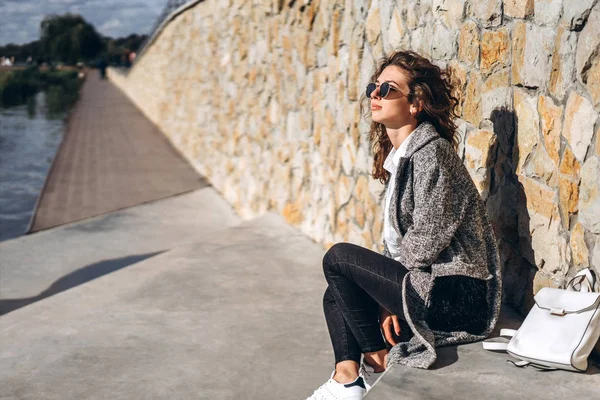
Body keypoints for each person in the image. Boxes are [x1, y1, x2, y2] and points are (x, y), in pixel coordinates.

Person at [306, 50, 502, 400]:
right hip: (426, 284)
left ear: (416, 103)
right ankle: (347, 378)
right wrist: (382, 290)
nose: (375, 95)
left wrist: (388, 301)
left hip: (458, 297)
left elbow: (427, 239)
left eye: (388, 89)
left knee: (337, 259)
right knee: (336, 291)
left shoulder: (433, 153)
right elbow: (397, 243)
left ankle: (377, 363)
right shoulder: (403, 159)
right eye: (374, 87)